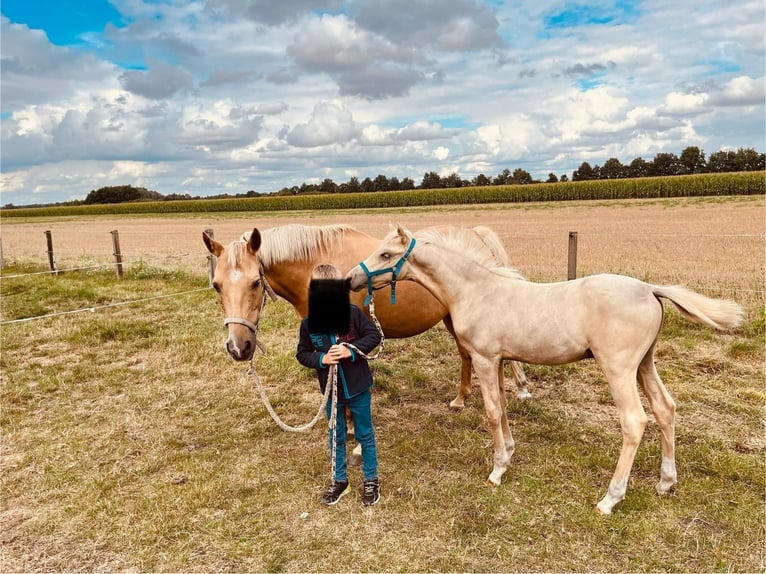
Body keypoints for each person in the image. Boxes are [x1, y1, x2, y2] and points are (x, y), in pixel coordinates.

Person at [296, 264, 383, 506]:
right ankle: (340, 480)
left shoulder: (353, 314)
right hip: (331, 394)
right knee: (336, 435)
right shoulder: (309, 324)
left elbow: (373, 337)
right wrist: (321, 359)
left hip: (358, 389)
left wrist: (350, 351)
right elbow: (302, 354)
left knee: (365, 434)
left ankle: (371, 479)